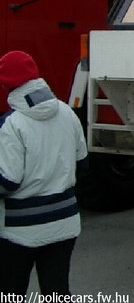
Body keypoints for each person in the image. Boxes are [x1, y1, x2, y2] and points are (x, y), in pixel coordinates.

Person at [0, 51, 87, 296]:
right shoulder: (67, 112)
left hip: (20, 229)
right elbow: (82, 164)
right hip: (65, 223)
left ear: (6, 85)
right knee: (57, 292)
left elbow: (8, 181)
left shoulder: (11, 124)